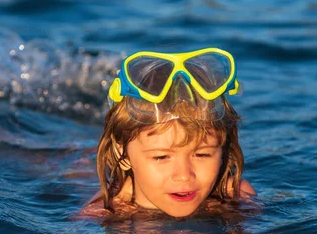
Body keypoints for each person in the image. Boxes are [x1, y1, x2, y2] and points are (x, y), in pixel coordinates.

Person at [81, 47, 256, 218]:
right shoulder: (103, 214)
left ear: (222, 149)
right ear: (123, 154)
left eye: (202, 154)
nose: (184, 176)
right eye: (161, 157)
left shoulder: (236, 197)